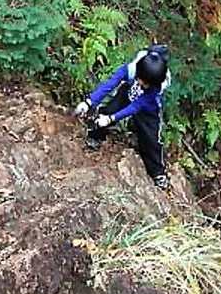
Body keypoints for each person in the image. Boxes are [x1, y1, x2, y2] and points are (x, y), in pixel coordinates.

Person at [73, 45, 172, 189]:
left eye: (146, 84)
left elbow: (136, 107)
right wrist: (88, 102)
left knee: (151, 139)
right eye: (142, 80)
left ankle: (157, 172)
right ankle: (95, 136)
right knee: (108, 111)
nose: (143, 84)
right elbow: (110, 84)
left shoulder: (157, 85)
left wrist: (111, 119)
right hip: (128, 91)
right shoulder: (131, 69)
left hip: (148, 108)